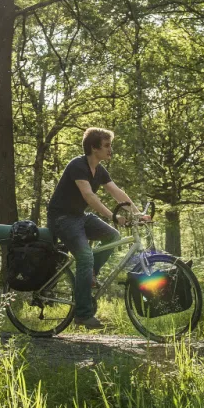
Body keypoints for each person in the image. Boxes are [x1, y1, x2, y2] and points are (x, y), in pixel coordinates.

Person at [46, 127, 147, 329]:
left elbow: (116, 191)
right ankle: (82, 314)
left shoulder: (99, 170)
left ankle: (90, 273)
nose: (111, 150)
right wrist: (112, 216)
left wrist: (137, 213)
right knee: (85, 256)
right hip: (62, 218)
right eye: (107, 146)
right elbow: (89, 196)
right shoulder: (78, 165)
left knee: (112, 236)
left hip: (79, 217)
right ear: (94, 148)